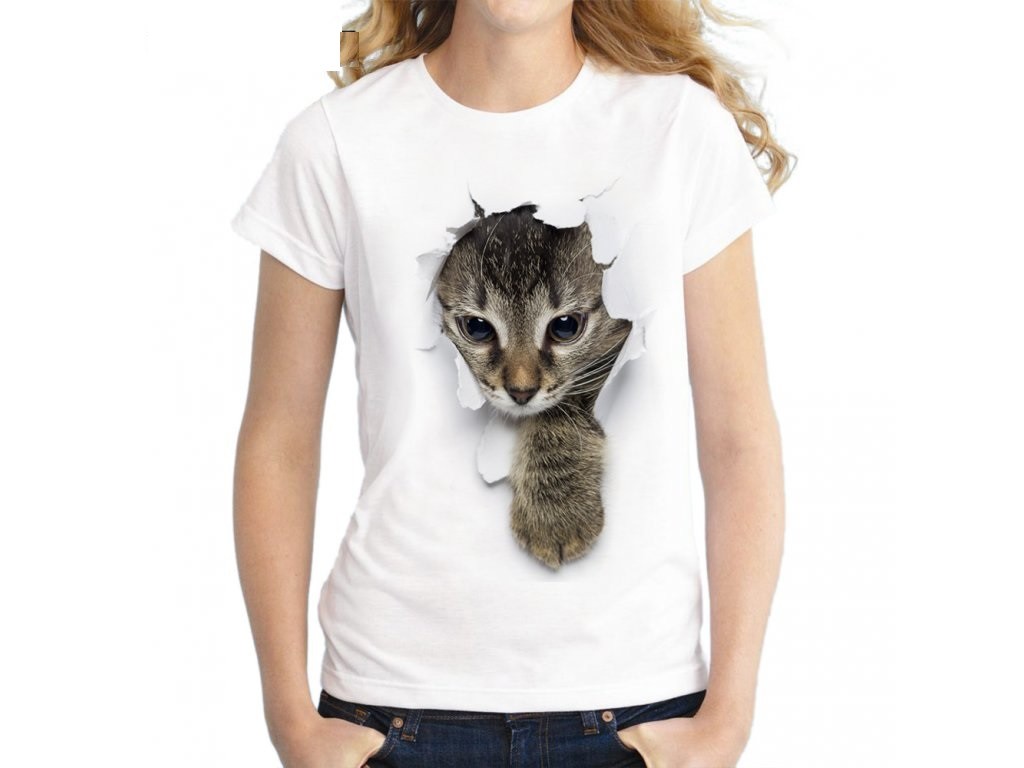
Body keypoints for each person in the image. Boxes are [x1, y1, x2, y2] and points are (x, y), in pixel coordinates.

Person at [230, 1, 793, 766]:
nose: (522, 381)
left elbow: (739, 439)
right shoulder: (335, 141)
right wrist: (289, 718)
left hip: (636, 708)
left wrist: (728, 716)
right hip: (392, 708)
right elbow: (279, 439)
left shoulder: (679, 129)